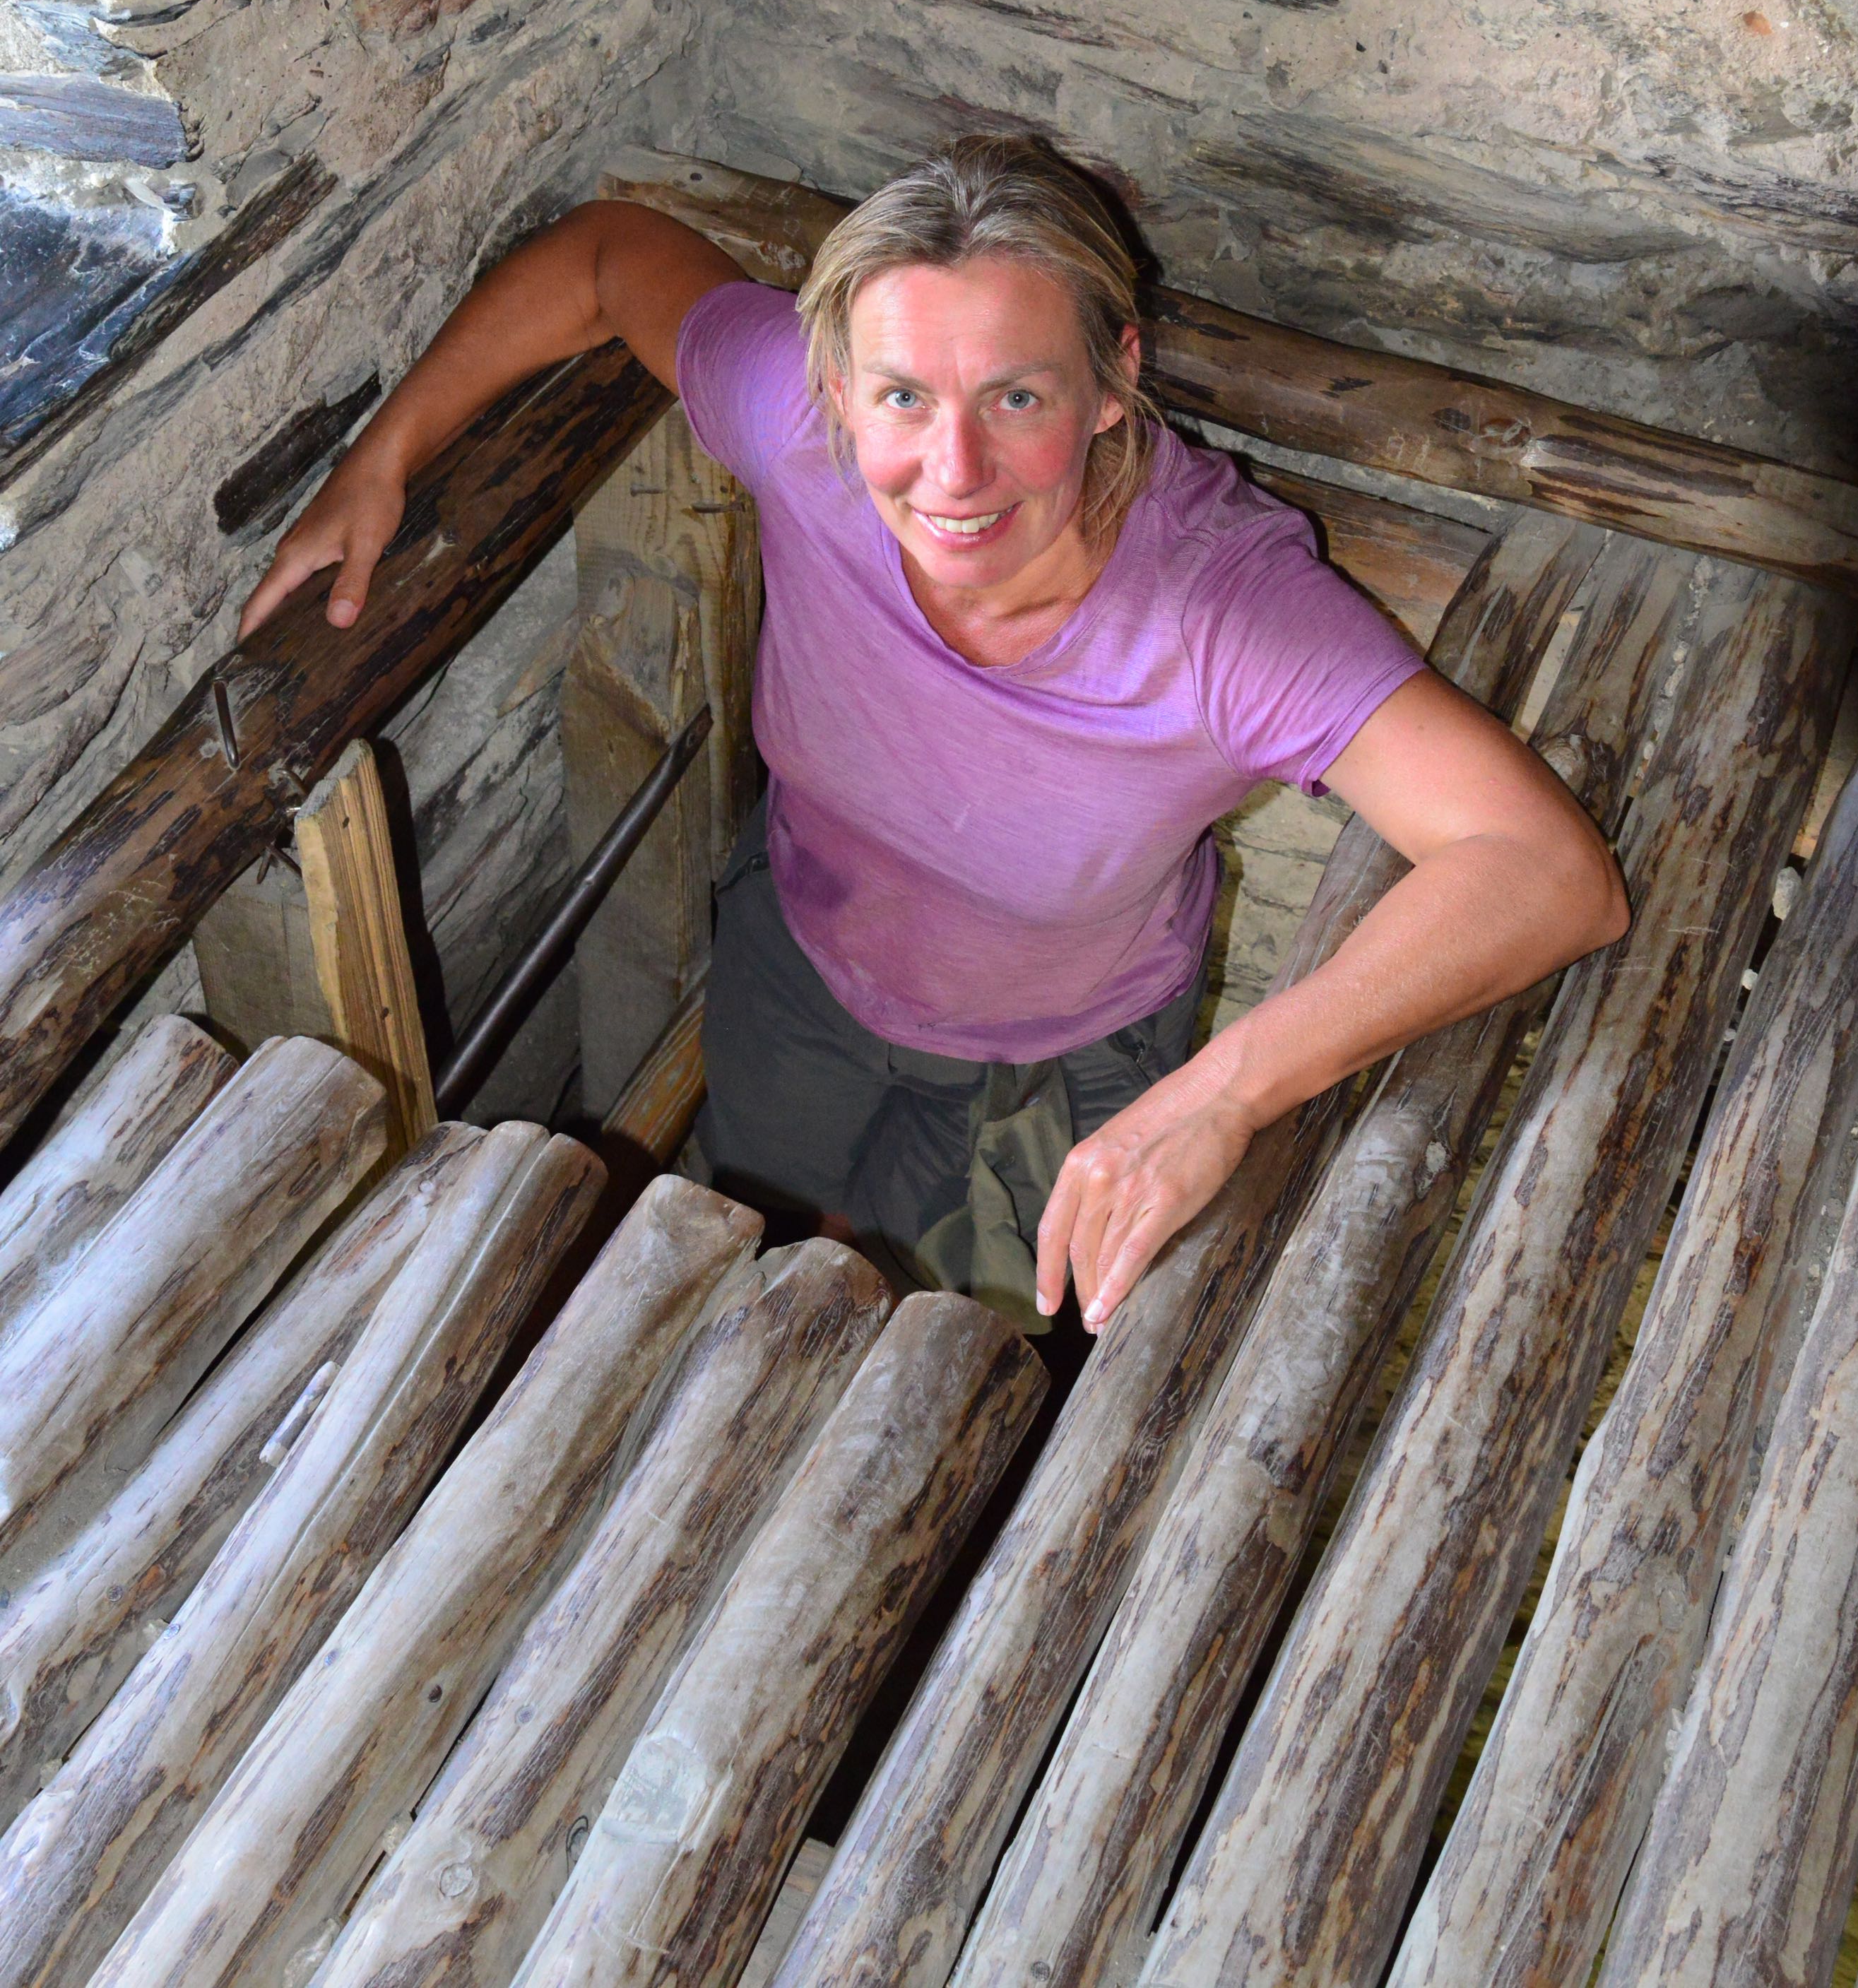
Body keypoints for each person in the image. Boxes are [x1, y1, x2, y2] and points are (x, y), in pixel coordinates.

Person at [244, 136, 1628, 1332]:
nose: (951, 473)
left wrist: (1225, 1094)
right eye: (902, 396)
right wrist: (384, 458)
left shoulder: (1220, 615)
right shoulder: (801, 432)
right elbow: (608, 260)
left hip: (1060, 1056)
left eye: (1016, 396)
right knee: (746, 1264)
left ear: (1112, 381)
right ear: (837, 386)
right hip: (799, 964)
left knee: (965, 1363)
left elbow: (1543, 869)